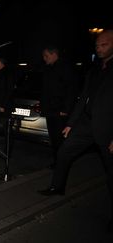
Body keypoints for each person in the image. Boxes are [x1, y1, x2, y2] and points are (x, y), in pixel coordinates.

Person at [38, 30, 113, 231]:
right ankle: (57, 187)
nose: (99, 48)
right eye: (97, 45)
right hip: (86, 124)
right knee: (64, 151)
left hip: (108, 126)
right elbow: (82, 98)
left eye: (104, 45)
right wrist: (71, 123)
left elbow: (70, 90)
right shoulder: (95, 69)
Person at [40, 46, 79, 168]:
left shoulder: (65, 68)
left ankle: (62, 163)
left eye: (46, 56)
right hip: (50, 110)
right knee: (54, 139)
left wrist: (65, 109)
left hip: (59, 111)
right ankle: (58, 161)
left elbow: (71, 90)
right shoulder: (48, 69)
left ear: (53, 54)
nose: (44, 59)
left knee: (60, 139)